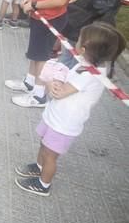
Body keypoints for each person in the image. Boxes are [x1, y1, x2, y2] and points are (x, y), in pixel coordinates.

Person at [15, 22, 125, 196]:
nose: (76, 42)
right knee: (44, 145)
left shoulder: (91, 74)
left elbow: (58, 93)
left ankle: (43, 184)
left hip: (64, 124)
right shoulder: (85, 62)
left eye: (79, 39)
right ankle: (38, 167)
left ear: (85, 47)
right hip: (57, 115)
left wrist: (48, 77)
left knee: (50, 155)